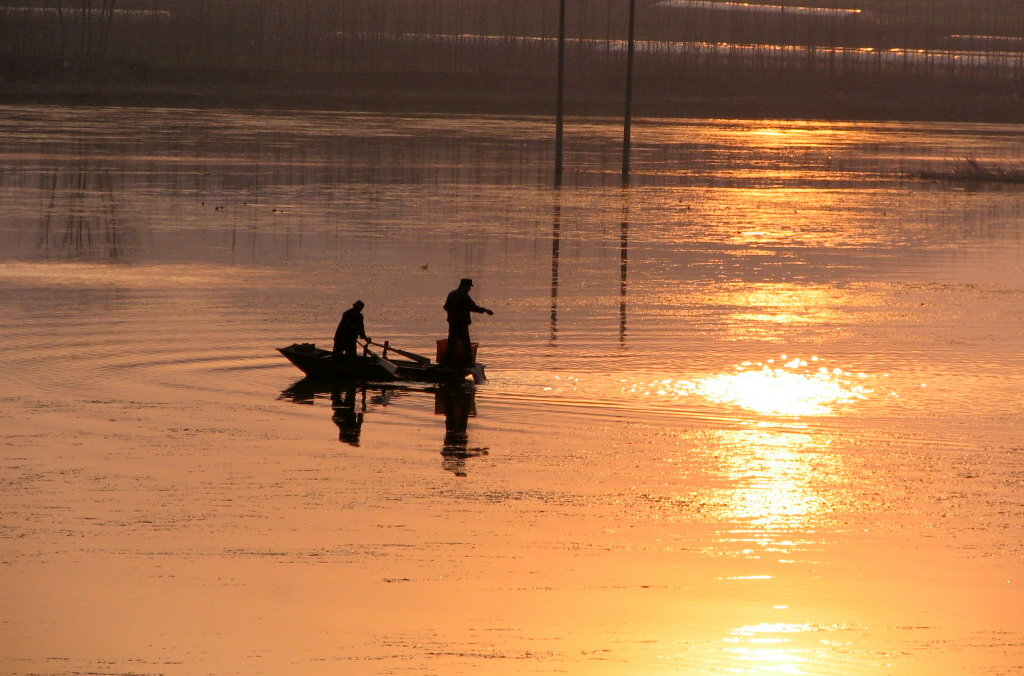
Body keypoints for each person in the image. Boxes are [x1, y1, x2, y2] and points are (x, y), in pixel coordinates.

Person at [443, 278, 493, 367]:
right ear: (465, 286)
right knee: (465, 343)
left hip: (453, 323)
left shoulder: (452, 294)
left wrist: (452, 313)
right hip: (461, 323)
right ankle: (468, 362)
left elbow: (446, 307)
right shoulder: (464, 296)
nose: (469, 289)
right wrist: (485, 310)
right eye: (469, 287)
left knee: (452, 342)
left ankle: (447, 362)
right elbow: (472, 307)